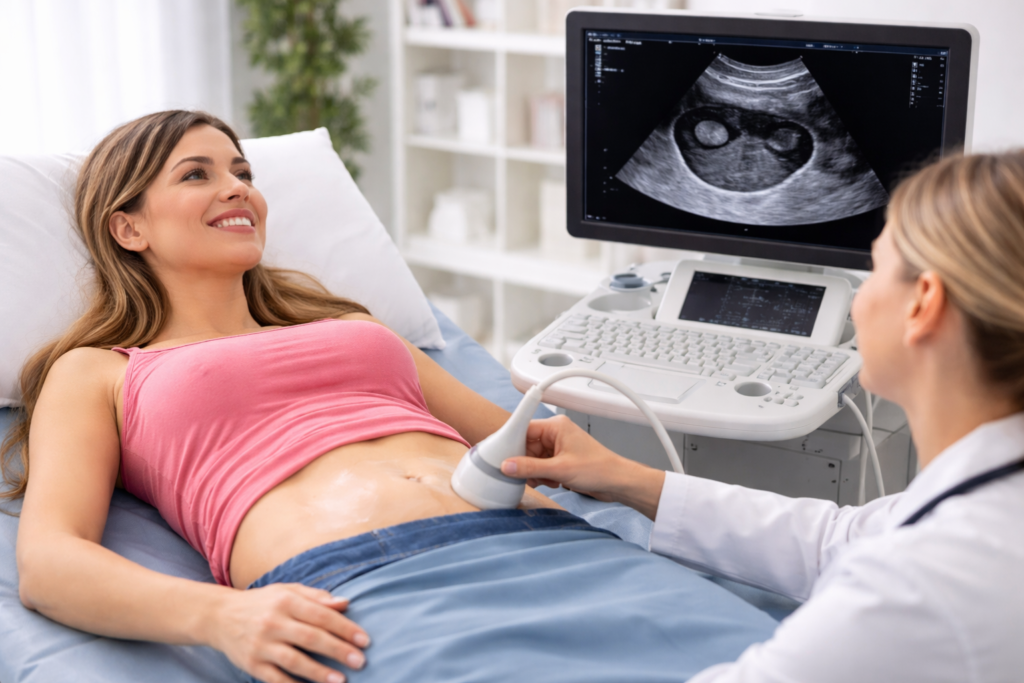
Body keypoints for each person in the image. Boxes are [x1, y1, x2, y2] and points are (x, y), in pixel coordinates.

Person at [4, 110, 780, 683]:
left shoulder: (353, 326)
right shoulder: (100, 369)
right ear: (127, 227)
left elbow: (539, 443)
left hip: (561, 550)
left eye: (242, 170)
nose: (238, 187)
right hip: (365, 591)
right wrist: (223, 616)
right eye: (196, 173)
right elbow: (48, 561)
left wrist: (601, 467)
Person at [501, 150, 1024, 681]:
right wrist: (627, 478)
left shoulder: (919, 588)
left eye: (876, 267)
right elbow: (838, 539)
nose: (858, 302)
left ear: (923, 305)